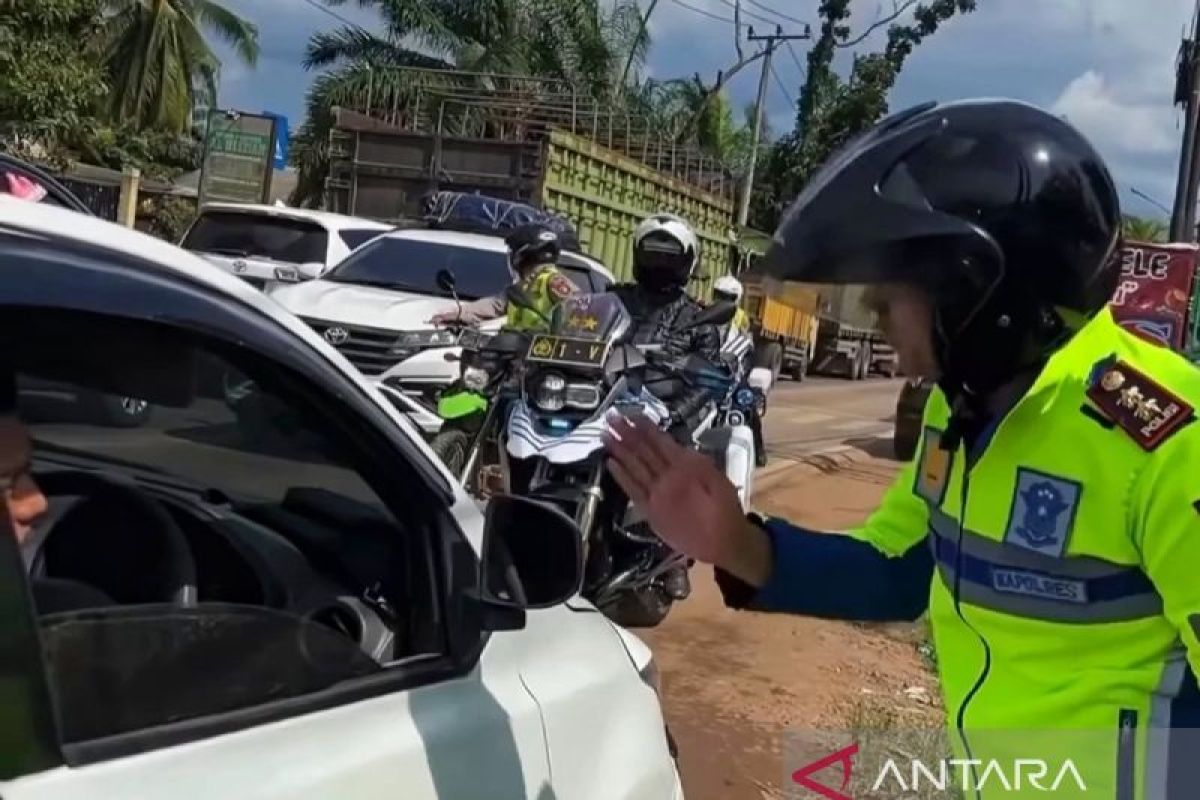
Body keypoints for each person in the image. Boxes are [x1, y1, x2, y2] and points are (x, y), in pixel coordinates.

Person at [604, 98, 1200, 797]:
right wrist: (733, 542)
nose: (878, 327)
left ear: (977, 289)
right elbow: (901, 569)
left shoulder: (1165, 438)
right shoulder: (966, 406)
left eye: (888, 302)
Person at [429, 222, 577, 330]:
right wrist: (456, 315)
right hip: (517, 354)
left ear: (522, 254)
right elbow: (491, 306)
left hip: (542, 357)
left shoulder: (554, 281)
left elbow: (581, 310)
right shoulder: (519, 288)